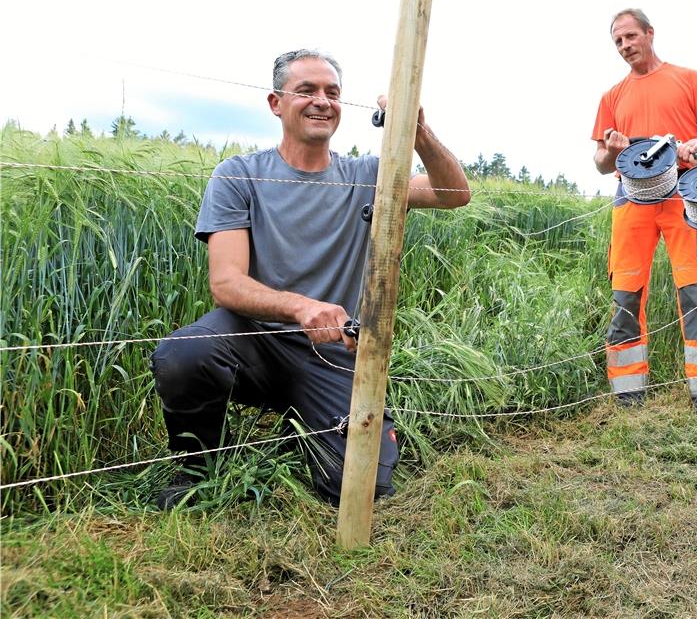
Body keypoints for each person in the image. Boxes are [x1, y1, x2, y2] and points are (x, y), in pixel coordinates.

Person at [149, 48, 470, 509]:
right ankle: (198, 469)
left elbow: (455, 193)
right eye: (307, 91)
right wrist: (301, 307)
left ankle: (309, 422)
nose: (323, 101)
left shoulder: (368, 176)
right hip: (253, 341)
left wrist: (417, 132)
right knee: (185, 353)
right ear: (276, 103)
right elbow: (226, 283)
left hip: (330, 352)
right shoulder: (238, 176)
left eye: (332, 93)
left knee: (359, 487)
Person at [591, 9, 697, 416]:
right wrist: (612, 150)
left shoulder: (688, 79)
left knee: (694, 293)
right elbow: (601, 162)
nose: (625, 46)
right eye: (618, 42)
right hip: (631, 200)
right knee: (624, 297)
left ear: (650, 33)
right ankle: (628, 398)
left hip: (684, 196)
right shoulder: (611, 97)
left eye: (630, 36)